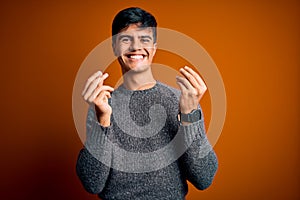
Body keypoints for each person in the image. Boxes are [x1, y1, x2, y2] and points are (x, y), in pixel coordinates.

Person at [76, 7, 218, 200]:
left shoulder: (182, 100)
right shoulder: (102, 105)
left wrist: (189, 114)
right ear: (114, 47)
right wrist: (103, 120)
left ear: (154, 48)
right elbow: (92, 183)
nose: (136, 47)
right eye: (126, 39)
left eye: (144, 39)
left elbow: (204, 177)